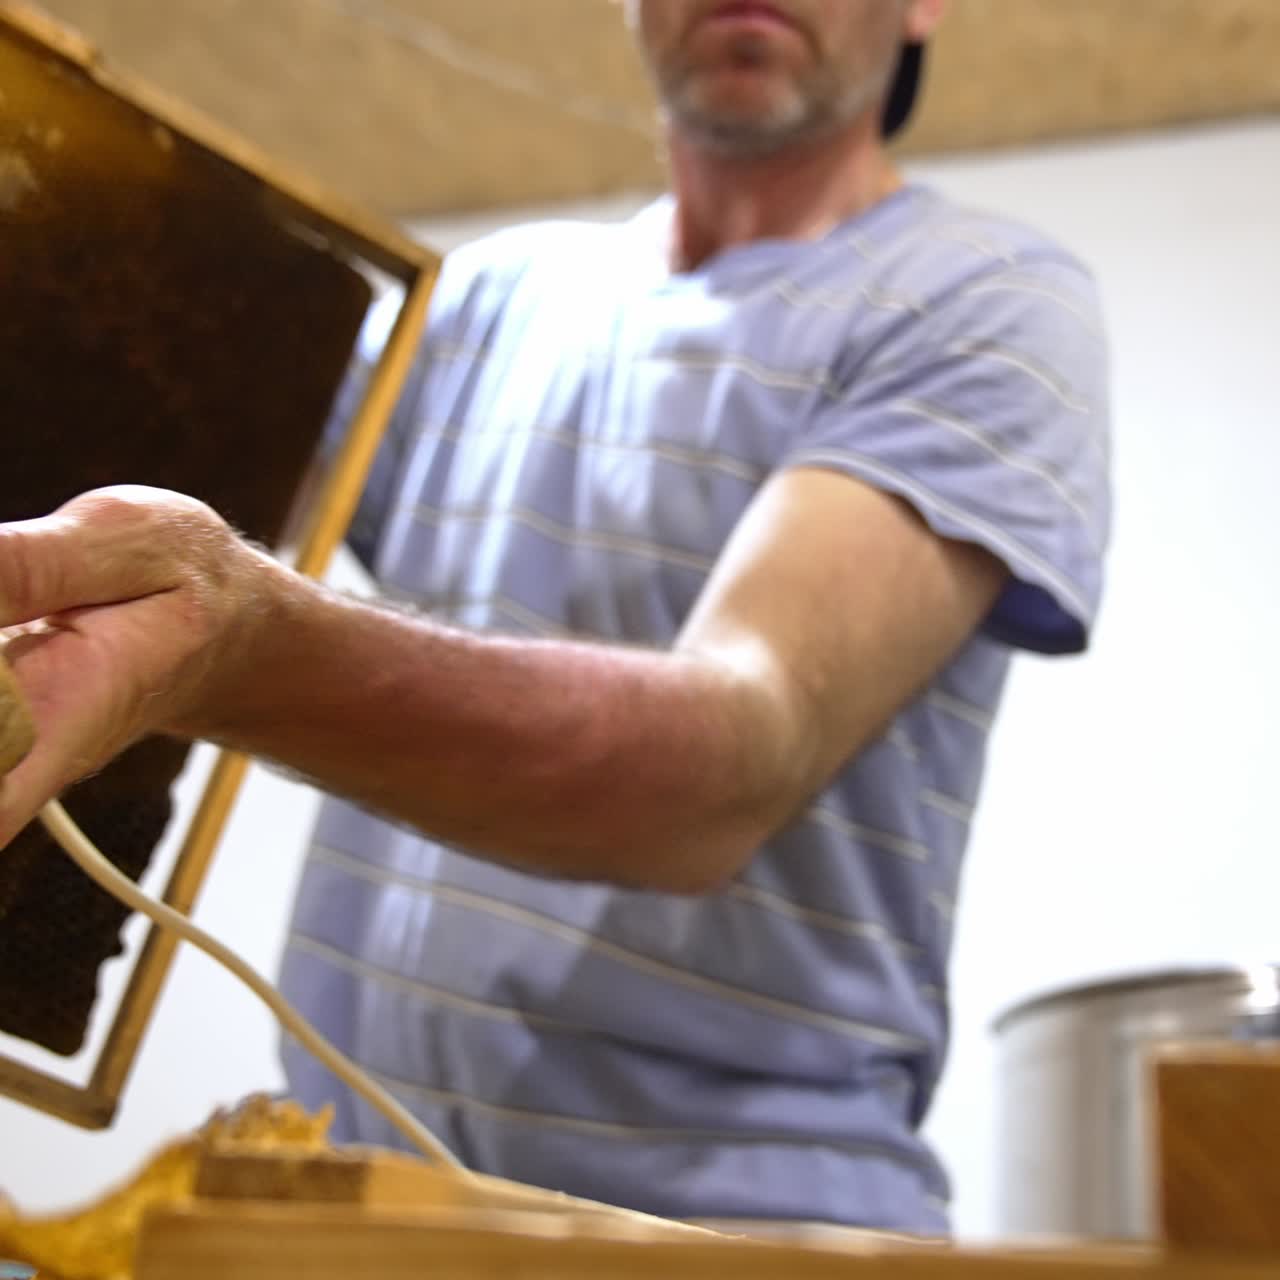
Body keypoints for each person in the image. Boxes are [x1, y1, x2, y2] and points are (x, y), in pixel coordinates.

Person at [0, 0, 1110, 1236]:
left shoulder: (979, 301)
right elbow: (151, 442)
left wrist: (235, 642)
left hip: (741, 1243)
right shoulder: (487, 303)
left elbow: (729, 762)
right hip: (350, 1211)